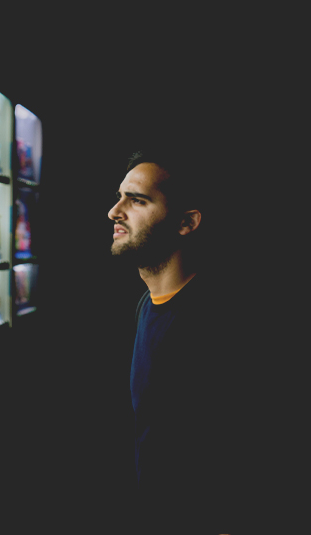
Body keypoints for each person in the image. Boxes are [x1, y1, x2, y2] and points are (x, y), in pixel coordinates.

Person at [108, 147, 244, 533]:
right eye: (119, 197)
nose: (115, 212)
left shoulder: (218, 320)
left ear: (187, 222)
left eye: (137, 200)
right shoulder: (145, 306)